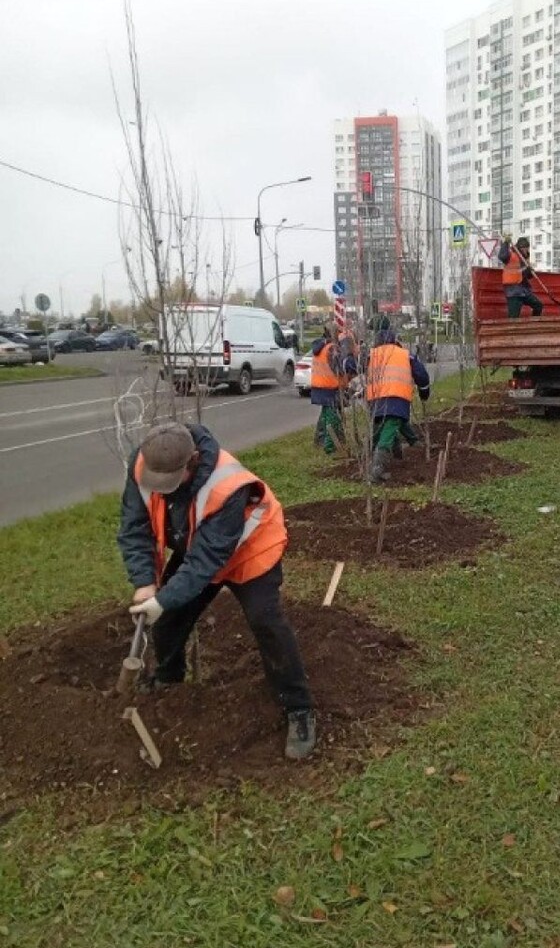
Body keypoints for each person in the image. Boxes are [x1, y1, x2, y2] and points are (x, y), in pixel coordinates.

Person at [118, 421, 316, 760]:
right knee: (168, 620)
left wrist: (163, 598)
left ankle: (299, 708)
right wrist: (145, 583)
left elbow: (207, 559)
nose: (162, 490)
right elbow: (134, 527)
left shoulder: (228, 485)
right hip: (198, 545)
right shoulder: (145, 463)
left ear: (193, 461)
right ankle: (169, 682)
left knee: (266, 621)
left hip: (250, 549)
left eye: (171, 482)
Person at [365, 324, 430, 482]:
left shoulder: (370, 355)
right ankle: (377, 470)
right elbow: (421, 375)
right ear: (395, 340)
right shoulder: (405, 355)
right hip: (396, 398)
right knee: (389, 429)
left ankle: (401, 452)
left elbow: (353, 367)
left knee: (383, 427)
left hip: (375, 400)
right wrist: (424, 391)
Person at [310, 324, 358, 454]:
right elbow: (339, 370)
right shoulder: (332, 349)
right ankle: (329, 447)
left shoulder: (321, 347)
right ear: (336, 334)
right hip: (330, 387)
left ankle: (321, 441)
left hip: (320, 387)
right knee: (333, 417)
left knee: (326, 415)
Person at [498, 235, 543, 318]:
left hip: (524, 290)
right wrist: (506, 243)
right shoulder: (511, 255)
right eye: (526, 248)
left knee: (538, 305)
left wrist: (529, 271)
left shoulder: (524, 259)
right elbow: (502, 256)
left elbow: (527, 276)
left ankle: (534, 323)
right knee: (513, 317)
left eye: (528, 248)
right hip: (513, 292)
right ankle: (512, 326)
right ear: (522, 248)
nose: (527, 250)